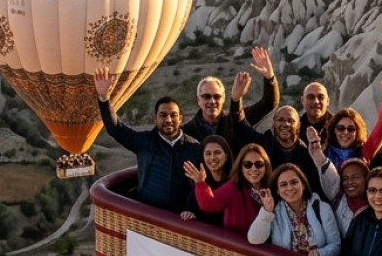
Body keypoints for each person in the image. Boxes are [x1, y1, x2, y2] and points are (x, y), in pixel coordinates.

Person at [95, 67, 199, 215]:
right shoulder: (144, 142)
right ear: (155, 119)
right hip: (147, 216)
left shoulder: (194, 148)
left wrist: (190, 209)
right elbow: (115, 129)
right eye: (163, 115)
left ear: (181, 118)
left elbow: (197, 185)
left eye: (173, 115)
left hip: (178, 220)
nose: (168, 120)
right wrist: (104, 98)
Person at [182, 47, 280, 148]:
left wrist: (269, 77)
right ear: (198, 100)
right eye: (206, 96)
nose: (212, 101)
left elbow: (269, 103)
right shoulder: (187, 131)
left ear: (223, 99)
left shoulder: (236, 121)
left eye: (217, 96)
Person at [248, 163, 343, 256]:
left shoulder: (322, 208)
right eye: (283, 185)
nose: (290, 188)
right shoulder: (273, 211)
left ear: (303, 185)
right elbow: (254, 239)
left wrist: (320, 254)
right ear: (277, 191)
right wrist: (267, 211)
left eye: (294, 182)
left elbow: (336, 245)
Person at [233, 105, 321, 194]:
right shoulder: (263, 144)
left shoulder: (307, 155)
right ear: (273, 124)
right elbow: (240, 126)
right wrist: (236, 101)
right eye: (280, 120)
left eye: (291, 121)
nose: (286, 124)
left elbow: (313, 187)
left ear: (298, 126)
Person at [186, 143, 267, 235]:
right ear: (240, 167)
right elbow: (209, 203)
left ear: (266, 166)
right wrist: (200, 182)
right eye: (247, 164)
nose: (254, 168)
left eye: (259, 164)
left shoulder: (272, 188)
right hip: (235, 242)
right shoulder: (233, 187)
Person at [322, 70, 382, 166]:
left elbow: (380, 132)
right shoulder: (324, 152)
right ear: (334, 130)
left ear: (357, 132)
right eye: (341, 128)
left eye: (351, 129)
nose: (346, 132)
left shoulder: (364, 151)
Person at [183, 135, 232, 226]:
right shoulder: (199, 180)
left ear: (226, 156)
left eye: (217, 153)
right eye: (208, 154)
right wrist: (188, 213)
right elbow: (190, 207)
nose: (212, 157)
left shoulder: (233, 183)